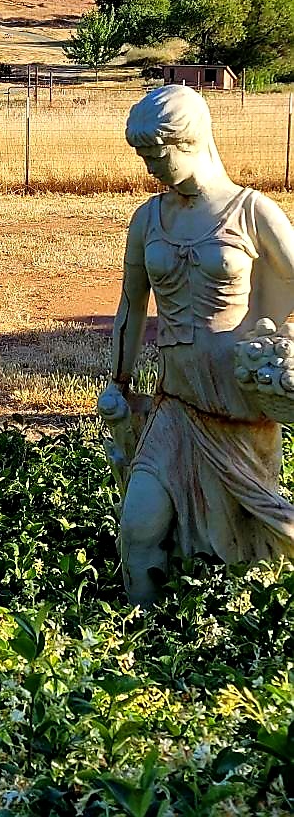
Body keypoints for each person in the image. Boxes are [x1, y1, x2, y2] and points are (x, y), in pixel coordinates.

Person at [101, 84, 294, 605]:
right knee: (138, 530)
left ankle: (231, 647)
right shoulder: (148, 219)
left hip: (238, 415)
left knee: (249, 553)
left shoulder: (252, 212)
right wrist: (118, 380)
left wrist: (283, 348)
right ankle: (140, 652)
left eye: (156, 156)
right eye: (143, 157)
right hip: (176, 406)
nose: (148, 168)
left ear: (190, 141)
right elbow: (131, 308)